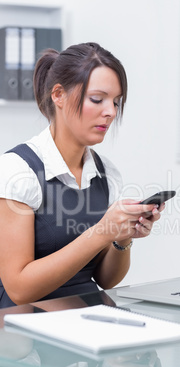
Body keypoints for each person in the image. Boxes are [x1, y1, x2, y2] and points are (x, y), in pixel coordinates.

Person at [0, 42, 164, 308]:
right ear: (58, 95)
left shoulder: (106, 173)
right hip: (25, 327)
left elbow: (106, 280)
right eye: (97, 99)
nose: (110, 112)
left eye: (115, 101)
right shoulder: (17, 170)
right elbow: (19, 290)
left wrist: (122, 237)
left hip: (85, 315)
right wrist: (101, 232)